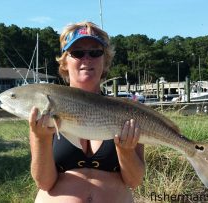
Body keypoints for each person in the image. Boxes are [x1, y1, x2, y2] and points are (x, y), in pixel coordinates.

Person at [29, 21, 145, 203]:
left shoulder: (126, 111)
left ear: (105, 60)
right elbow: (44, 182)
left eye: (95, 52)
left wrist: (126, 151)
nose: (87, 59)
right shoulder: (46, 108)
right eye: (77, 53)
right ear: (65, 61)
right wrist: (41, 138)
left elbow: (134, 180)